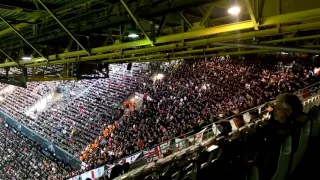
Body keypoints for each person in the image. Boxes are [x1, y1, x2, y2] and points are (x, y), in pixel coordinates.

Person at [257, 93, 307, 180]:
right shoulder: (301, 121)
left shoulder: (281, 134)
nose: (275, 111)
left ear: (288, 111)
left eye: (278, 108)